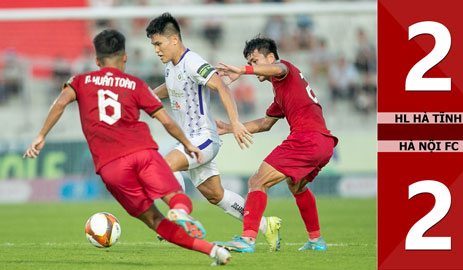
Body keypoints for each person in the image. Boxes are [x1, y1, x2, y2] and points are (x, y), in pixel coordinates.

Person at [23, 29, 231, 266]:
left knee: (155, 221)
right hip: (143, 154)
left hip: (112, 167)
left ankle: (213, 251)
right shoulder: (135, 85)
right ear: (124, 58)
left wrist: (41, 135)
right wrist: (186, 144)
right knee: (177, 199)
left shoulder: (80, 81)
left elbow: (59, 103)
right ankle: (181, 213)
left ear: (96, 61)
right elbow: (165, 120)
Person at [145, 13, 282, 252]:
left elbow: (220, 85)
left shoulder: (192, 61)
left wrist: (235, 122)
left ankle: (178, 214)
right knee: (215, 195)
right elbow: (172, 85)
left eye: (159, 44)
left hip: (203, 138)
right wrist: (148, 96)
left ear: (174, 39)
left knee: (164, 166)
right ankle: (266, 225)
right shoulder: (170, 65)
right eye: (153, 45)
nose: (156, 50)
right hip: (189, 141)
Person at [213, 37, 338, 252]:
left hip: (306, 139)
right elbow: (264, 124)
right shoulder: (281, 92)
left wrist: (242, 70)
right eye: (250, 62)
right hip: (324, 143)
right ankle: (316, 241)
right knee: (296, 186)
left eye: (255, 60)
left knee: (256, 182)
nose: (254, 66)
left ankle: (248, 239)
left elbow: (278, 68)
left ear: (270, 57)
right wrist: (229, 127)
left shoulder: (285, 69)